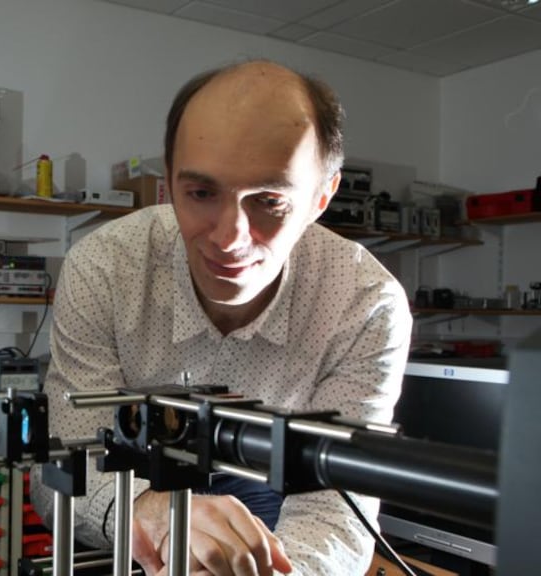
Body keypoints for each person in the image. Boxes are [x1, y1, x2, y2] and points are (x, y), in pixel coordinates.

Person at [31, 59, 413, 575]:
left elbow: (334, 511)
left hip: (276, 494)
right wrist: (151, 516)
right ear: (168, 182)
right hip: (132, 485)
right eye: (202, 194)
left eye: (269, 201)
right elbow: (65, 464)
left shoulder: (365, 305)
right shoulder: (105, 267)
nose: (229, 238)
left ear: (321, 198)